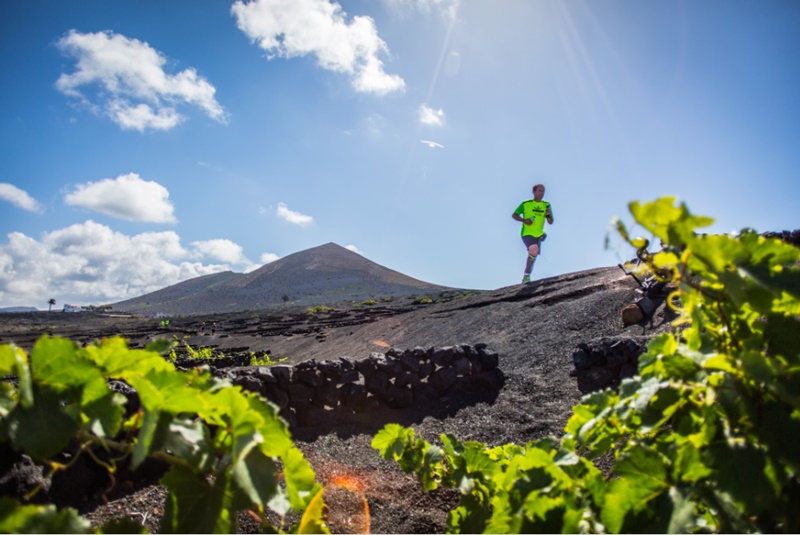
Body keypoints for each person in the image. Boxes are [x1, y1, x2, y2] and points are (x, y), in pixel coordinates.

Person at [512, 183, 554, 283]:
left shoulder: (546, 205)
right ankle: (527, 275)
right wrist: (524, 220)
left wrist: (548, 214)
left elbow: (550, 222)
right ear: (534, 192)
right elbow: (514, 215)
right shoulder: (526, 204)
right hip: (527, 233)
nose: (542, 193)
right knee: (534, 250)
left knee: (533, 253)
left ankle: (527, 274)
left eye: (543, 191)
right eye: (539, 190)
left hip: (538, 234)